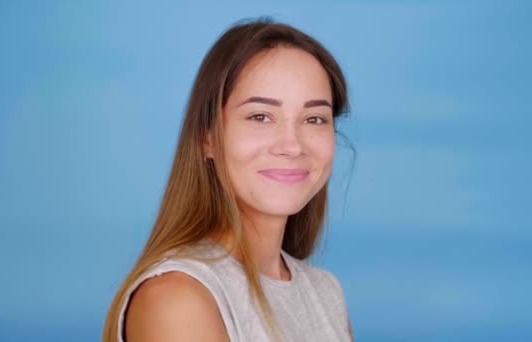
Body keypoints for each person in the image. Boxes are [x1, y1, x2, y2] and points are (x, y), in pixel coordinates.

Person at [102, 18, 353, 342]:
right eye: (260, 116)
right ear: (208, 137)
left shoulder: (325, 293)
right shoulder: (177, 298)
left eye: (314, 118)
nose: (292, 145)